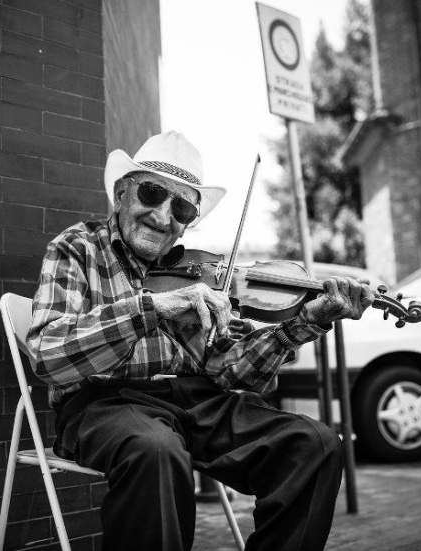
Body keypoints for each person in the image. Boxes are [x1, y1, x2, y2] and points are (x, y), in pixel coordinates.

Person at [27, 130, 374, 551]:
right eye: (152, 194)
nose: (162, 215)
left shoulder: (197, 274)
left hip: (195, 400)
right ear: (121, 193)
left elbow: (229, 370)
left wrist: (301, 324)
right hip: (103, 402)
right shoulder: (77, 248)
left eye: (182, 207)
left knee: (315, 445)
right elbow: (48, 355)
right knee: (156, 449)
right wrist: (154, 307)